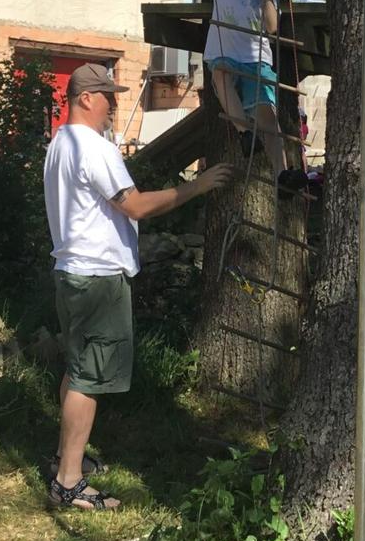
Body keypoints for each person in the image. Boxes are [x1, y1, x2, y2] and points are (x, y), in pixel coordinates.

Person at [43, 62, 233, 512]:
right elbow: (136, 207)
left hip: (71, 272)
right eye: (108, 96)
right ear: (86, 98)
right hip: (97, 278)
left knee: (77, 367)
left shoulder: (60, 143)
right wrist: (199, 187)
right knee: (89, 379)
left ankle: (63, 459)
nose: (114, 104)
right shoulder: (93, 147)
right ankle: (68, 482)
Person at [204, 0, 310, 197]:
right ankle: (244, 134)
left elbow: (273, 27)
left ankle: (282, 176)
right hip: (226, 53)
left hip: (257, 58)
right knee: (220, 76)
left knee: (268, 115)